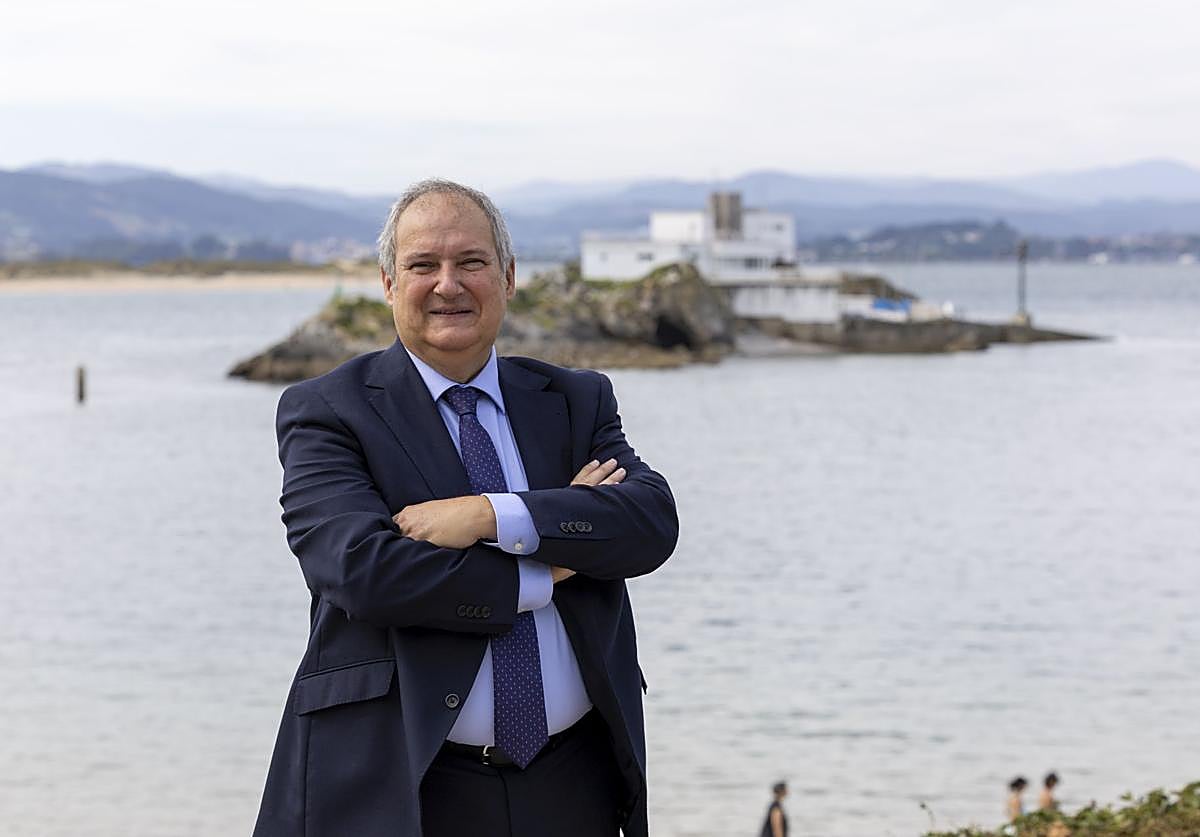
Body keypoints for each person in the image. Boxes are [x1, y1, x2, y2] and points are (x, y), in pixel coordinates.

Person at [252, 179, 679, 837]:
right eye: (423, 265)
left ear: (507, 278)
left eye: (471, 263)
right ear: (390, 284)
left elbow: (648, 522)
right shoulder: (328, 412)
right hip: (403, 784)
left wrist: (489, 515)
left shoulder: (574, 399)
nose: (448, 284)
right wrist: (547, 568)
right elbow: (365, 571)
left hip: (575, 781)